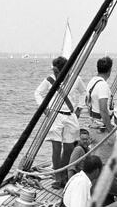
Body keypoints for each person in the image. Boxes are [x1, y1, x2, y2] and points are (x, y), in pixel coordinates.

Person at [34, 56, 86, 189]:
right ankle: (58, 178)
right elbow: (38, 93)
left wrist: (80, 107)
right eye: (54, 70)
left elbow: (83, 92)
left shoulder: (75, 79)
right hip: (55, 116)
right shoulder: (50, 80)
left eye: (57, 71)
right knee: (56, 148)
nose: (55, 73)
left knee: (68, 148)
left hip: (70, 116)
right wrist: (44, 108)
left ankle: (63, 174)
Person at [85, 56, 115, 164]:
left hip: (93, 125)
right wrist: (111, 130)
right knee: (104, 162)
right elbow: (103, 109)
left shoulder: (92, 82)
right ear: (110, 70)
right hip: (101, 130)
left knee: (95, 160)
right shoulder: (103, 85)